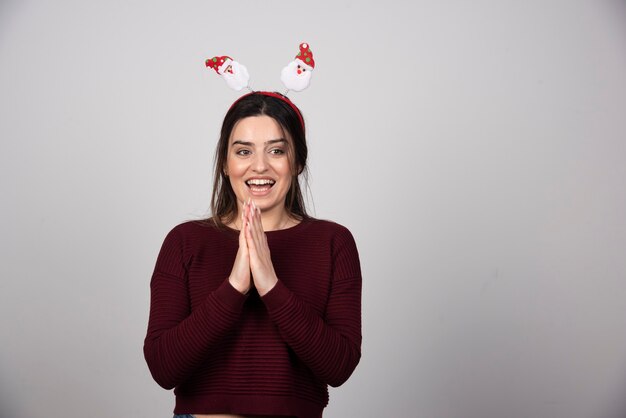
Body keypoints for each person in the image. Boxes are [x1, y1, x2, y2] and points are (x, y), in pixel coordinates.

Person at [143, 91, 362, 418]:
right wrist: (235, 285)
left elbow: (339, 367)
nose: (259, 166)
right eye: (243, 151)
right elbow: (163, 368)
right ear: (225, 164)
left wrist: (270, 284)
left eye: (276, 150)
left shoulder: (334, 242)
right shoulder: (185, 241)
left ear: (298, 162)